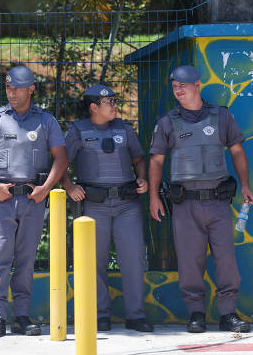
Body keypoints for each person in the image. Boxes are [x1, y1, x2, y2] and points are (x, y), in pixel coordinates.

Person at [148, 65, 253, 334]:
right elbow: (156, 161)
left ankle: (228, 314)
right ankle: (196, 313)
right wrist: (153, 196)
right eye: (174, 86)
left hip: (218, 202)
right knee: (189, 261)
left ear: (197, 85)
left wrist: (245, 185)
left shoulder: (221, 116)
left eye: (183, 84)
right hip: (185, 205)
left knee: (226, 260)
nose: (178, 89)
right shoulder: (167, 122)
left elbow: (238, 150)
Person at [0, 65, 68, 338]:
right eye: (8, 88)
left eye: (16, 88)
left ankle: (22, 316)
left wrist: (45, 189)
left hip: (33, 199)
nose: (11, 93)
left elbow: (61, 159)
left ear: (31, 89)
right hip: (1, 200)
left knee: (26, 260)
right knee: (0, 258)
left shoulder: (46, 121)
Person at [60, 85, 153, 333]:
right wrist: (69, 187)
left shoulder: (124, 129)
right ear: (93, 107)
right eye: (109, 102)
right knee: (95, 261)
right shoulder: (77, 131)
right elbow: (61, 163)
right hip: (93, 205)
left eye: (114, 101)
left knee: (133, 259)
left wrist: (142, 178)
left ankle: (136, 315)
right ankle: (100, 315)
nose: (114, 105)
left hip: (127, 204)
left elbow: (139, 159)